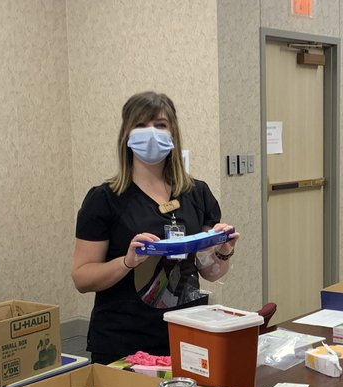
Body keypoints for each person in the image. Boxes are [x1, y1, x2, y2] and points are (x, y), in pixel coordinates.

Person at [72, 91, 238, 365]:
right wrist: (127, 262)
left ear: (173, 134)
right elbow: (82, 277)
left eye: (160, 125)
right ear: (126, 135)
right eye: (141, 125)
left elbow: (209, 272)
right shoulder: (104, 199)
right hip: (123, 341)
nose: (151, 133)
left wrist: (221, 251)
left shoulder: (197, 194)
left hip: (187, 334)